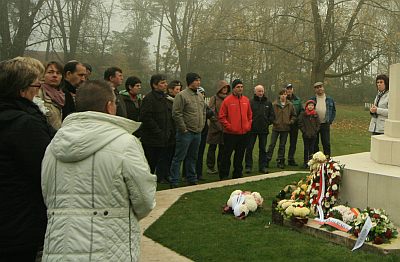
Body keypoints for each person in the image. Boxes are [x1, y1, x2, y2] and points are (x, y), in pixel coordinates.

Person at [41, 80, 156, 261]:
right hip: (109, 248)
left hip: (59, 247)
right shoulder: (125, 143)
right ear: (110, 106)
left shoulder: (54, 143)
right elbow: (145, 199)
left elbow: (47, 193)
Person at [0, 57, 54, 261]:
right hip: (17, 220)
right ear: (21, 90)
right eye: (37, 85)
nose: (39, 90)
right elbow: (45, 168)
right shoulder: (23, 124)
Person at [170, 72, 205, 187]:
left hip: (197, 132)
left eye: (199, 80)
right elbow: (176, 113)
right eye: (196, 80)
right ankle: (174, 180)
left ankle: (191, 178)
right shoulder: (181, 95)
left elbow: (203, 111)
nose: (198, 82)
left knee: (192, 157)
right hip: (186, 132)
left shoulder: (200, 96)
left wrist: (202, 125)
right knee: (179, 157)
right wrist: (183, 128)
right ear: (190, 82)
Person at [140, 74, 175, 184]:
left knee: (164, 159)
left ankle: (162, 177)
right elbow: (146, 118)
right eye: (162, 83)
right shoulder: (149, 99)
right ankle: (147, 181)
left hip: (165, 137)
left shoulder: (166, 99)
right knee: (151, 162)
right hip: (152, 139)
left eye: (165, 82)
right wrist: (158, 131)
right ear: (154, 85)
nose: (165, 85)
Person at [218, 79, 252, 180]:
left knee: (240, 155)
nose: (240, 89)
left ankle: (237, 173)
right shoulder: (227, 101)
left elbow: (250, 115)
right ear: (233, 88)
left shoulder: (246, 100)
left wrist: (248, 125)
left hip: (243, 133)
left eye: (241, 87)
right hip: (230, 134)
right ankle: (224, 174)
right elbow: (222, 116)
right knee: (226, 155)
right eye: (238, 87)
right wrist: (230, 127)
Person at [245, 84, 274, 174]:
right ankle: (248, 166)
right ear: (255, 92)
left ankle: (263, 167)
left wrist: (267, 123)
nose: (261, 93)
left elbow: (272, 115)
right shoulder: (250, 102)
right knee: (249, 148)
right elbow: (246, 115)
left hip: (263, 130)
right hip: (252, 130)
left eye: (262, 91)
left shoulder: (268, 103)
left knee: (262, 148)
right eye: (259, 91)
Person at [266, 89, 296, 169]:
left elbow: (294, 115)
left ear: (287, 95)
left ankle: (280, 160)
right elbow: (270, 115)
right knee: (272, 144)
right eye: (282, 94)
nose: (283, 96)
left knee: (282, 145)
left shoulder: (290, 105)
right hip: (276, 127)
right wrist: (274, 121)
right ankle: (267, 159)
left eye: (285, 94)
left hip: (285, 128)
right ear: (279, 95)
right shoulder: (274, 104)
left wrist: (291, 121)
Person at [206, 80, 230, 174]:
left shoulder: (228, 98)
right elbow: (211, 113)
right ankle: (210, 167)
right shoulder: (214, 98)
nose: (225, 89)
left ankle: (221, 166)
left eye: (226, 88)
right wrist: (217, 124)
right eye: (223, 87)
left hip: (225, 127)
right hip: (214, 127)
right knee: (212, 148)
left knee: (223, 148)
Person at [310, 81, 336, 156]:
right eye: (317, 88)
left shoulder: (329, 99)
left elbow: (334, 111)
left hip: (325, 124)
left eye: (320, 87)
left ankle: (327, 160)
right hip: (315, 124)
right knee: (315, 143)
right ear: (315, 90)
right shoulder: (312, 99)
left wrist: (330, 121)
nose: (319, 89)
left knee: (326, 143)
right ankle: (316, 160)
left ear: (323, 88)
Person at [37, 61, 64, 130]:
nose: (55, 75)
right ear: (43, 75)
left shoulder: (63, 96)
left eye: (58, 73)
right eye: (50, 72)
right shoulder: (38, 93)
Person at [298, 100, 320, 168]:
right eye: (309, 105)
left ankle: (311, 162)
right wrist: (304, 131)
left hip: (313, 135)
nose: (310, 107)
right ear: (307, 106)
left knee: (312, 149)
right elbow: (300, 123)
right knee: (306, 149)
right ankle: (305, 163)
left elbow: (318, 124)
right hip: (306, 134)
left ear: (314, 107)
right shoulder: (303, 114)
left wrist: (315, 131)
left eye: (312, 105)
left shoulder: (315, 114)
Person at [286, 83, 303, 166]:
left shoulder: (297, 100)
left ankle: (291, 159)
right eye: (287, 88)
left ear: (292, 89)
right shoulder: (282, 99)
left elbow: (302, 110)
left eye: (290, 88)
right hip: (284, 124)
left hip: (295, 125)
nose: (289, 90)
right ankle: (280, 159)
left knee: (293, 143)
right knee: (283, 142)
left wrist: (297, 118)